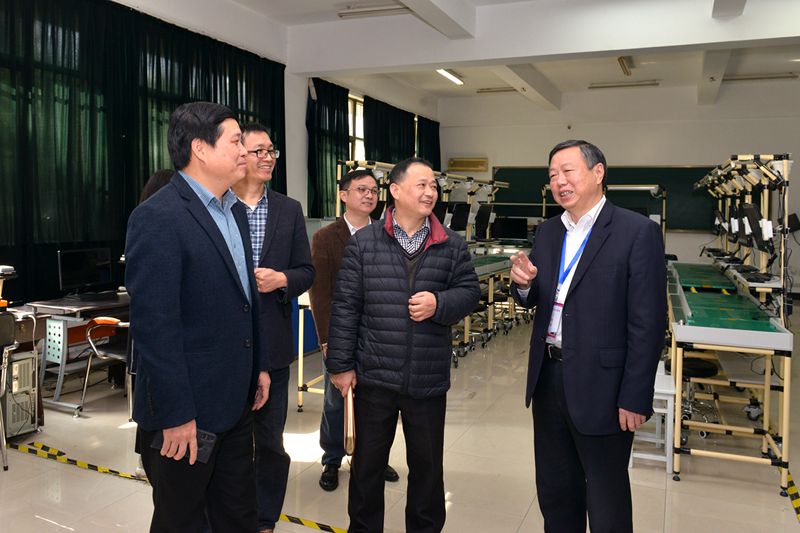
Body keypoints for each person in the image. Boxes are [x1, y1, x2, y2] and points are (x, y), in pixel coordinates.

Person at [125, 101, 270, 532]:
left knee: (238, 516)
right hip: (186, 413)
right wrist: (175, 414)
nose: (245, 151)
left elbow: (245, 300)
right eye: (236, 141)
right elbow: (155, 326)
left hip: (235, 402)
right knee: (182, 521)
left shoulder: (234, 211)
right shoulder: (158, 217)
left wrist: (259, 365)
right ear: (200, 149)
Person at [509, 140, 666, 533]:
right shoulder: (548, 232)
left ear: (598, 173)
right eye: (552, 175)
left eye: (568, 171)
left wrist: (635, 395)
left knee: (606, 497)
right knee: (555, 491)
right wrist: (524, 285)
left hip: (604, 385)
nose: (559, 182)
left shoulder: (637, 232)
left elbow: (648, 323)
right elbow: (536, 295)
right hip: (549, 377)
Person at [326, 157, 481, 533]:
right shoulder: (364, 244)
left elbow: (470, 293)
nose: (431, 192)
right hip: (374, 377)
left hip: (426, 380)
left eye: (433, 186)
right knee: (366, 469)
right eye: (421, 185)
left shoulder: (451, 245)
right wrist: (341, 366)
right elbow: (345, 306)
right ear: (395, 191)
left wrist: (439, 304)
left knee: (427, 470)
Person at [231, 122, 315, 533]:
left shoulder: (288, 209)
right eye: (259, 151)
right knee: (228, 440)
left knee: (269, 441)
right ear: (239, 154)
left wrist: (282, 279)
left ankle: (265, 519)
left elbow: (306, 271)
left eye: (272, 151)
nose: (267, 158)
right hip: (228, 347)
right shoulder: (219, 205)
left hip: (274, 345)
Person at [308, 169, 400, 492]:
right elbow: (320, 294)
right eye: (361, 189)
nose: (369, 195)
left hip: (380, 335)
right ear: (343, 195)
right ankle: (332, 458)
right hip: (341, 334)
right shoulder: (325, 238)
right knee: (336, 400)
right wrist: (326, 340)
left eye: (374, 190)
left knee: (378, 403)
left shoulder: (390, 235)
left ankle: (372, 458)